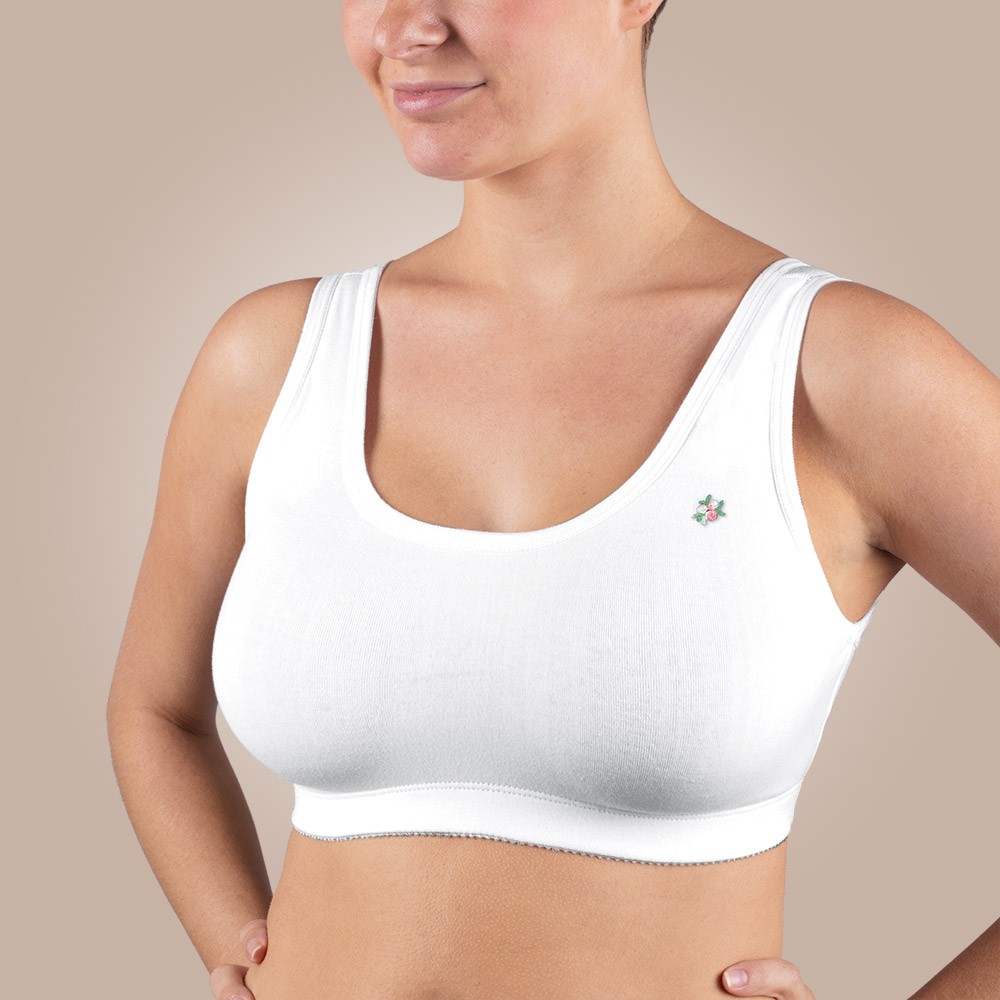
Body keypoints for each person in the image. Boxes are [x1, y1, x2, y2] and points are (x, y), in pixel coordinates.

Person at [105, 0, 1000, 998]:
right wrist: (236, 947)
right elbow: (155, 710)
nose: (405, 26)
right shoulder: (273, 359)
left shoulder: (839, 369)